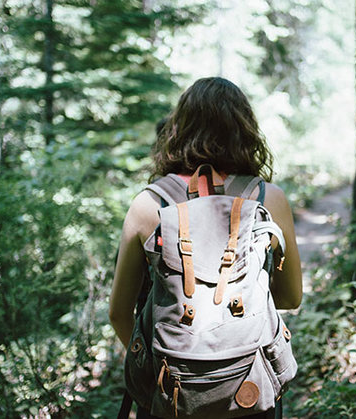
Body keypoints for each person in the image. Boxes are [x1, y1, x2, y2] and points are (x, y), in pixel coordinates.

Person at [109, 77, 303, 419]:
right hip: (248, 390)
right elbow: (290, 299)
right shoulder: (268, 198)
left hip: (170, 392)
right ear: (244, 130)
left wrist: (163, 365)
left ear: (178, 129)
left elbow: (118, 312)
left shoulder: (148, 204)